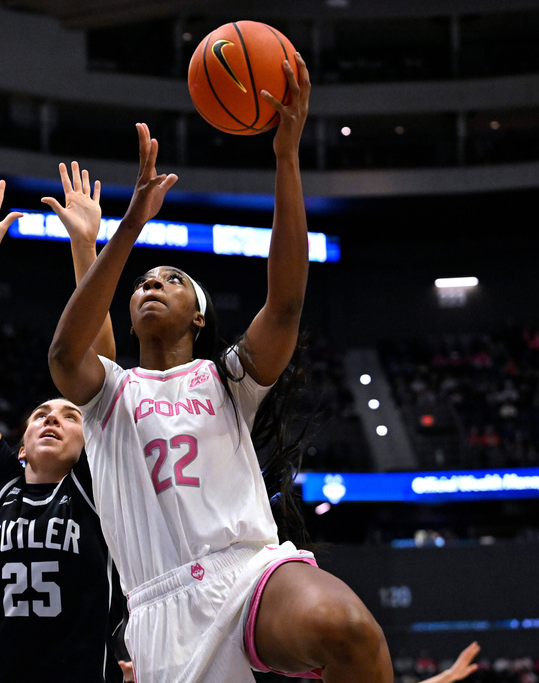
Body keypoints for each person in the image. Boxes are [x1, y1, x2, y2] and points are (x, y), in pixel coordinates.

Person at [48, 54, 392, 682]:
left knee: (349, 632)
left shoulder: (227, 381)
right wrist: (126, 229)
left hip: (249, 574)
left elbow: (286, 301)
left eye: (173, 279)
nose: (153, 283)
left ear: (199, 317)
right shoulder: (110, 394)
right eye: (144, 281)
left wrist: (287, 157)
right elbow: (66, 354)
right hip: (162, 608)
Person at [0, 167, 124, 682]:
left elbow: (103, 362)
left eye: (71, 415)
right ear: (20, 444)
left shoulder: (93, 484)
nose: (54, 417)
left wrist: (85, 247)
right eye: (41, 415)